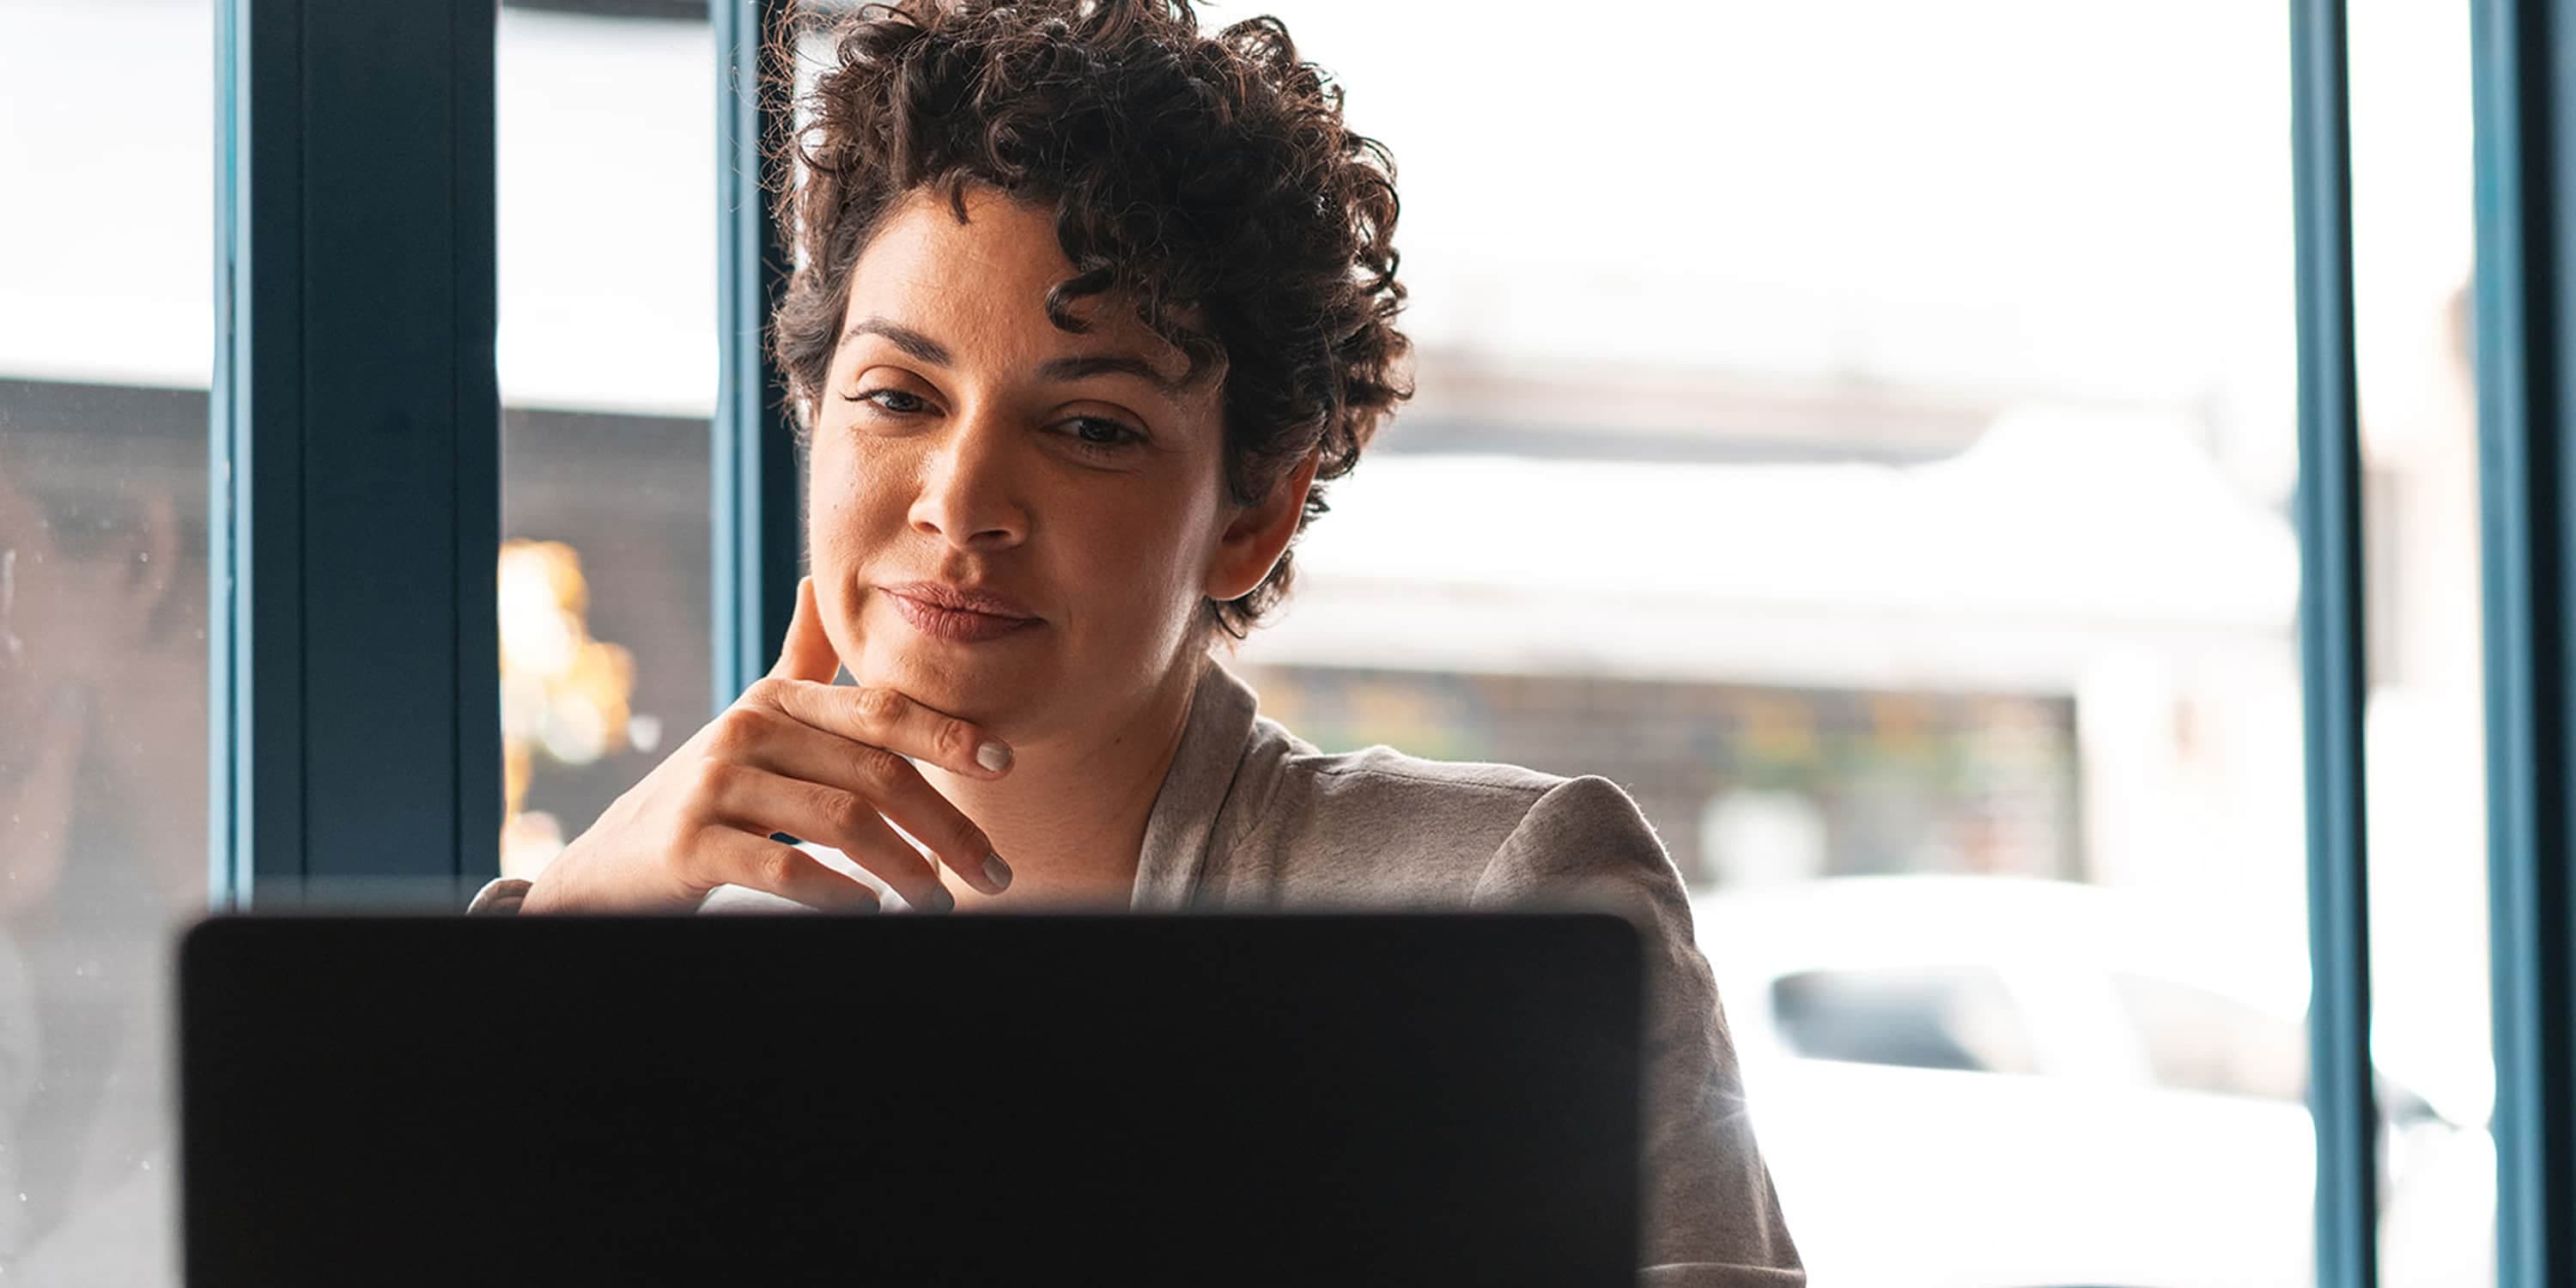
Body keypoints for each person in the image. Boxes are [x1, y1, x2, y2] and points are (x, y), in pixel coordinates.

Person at [472, 1, 1801, 1279]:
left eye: (1092, 427)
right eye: (897, 397)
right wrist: (567, 929)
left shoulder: (1499, 904)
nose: (960, 504)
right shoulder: (655, 943)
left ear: (1252, 514)